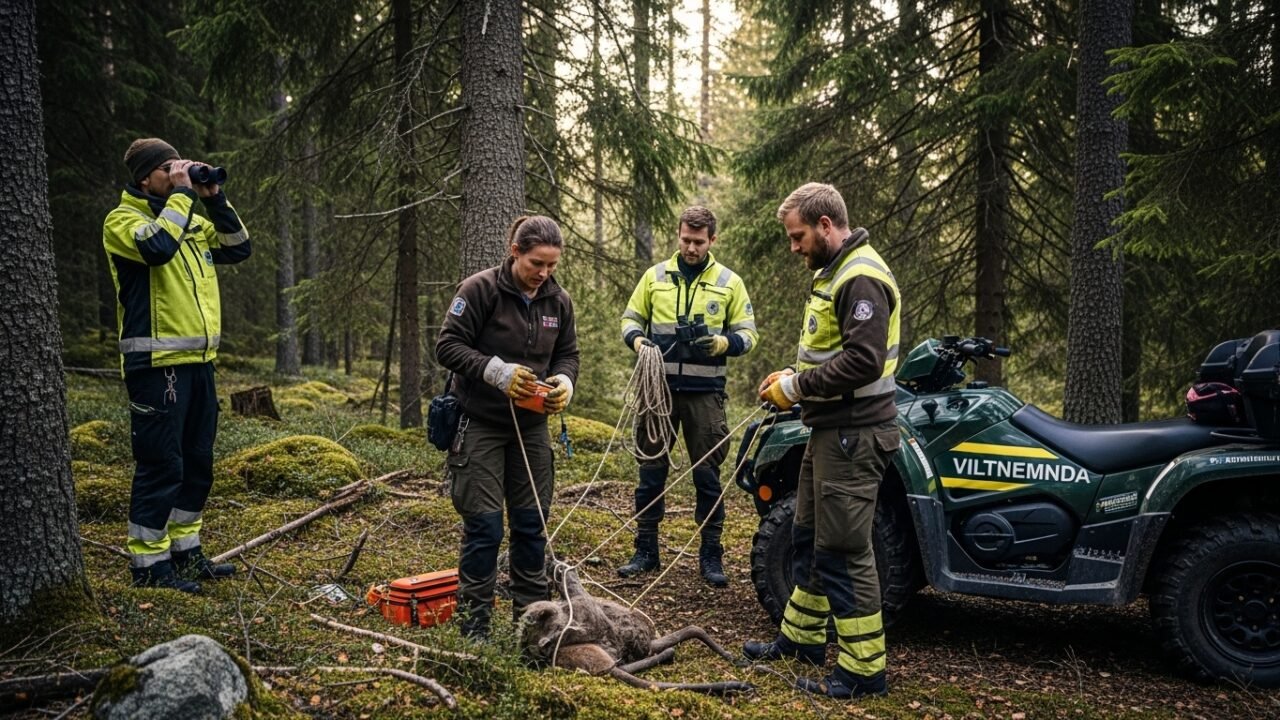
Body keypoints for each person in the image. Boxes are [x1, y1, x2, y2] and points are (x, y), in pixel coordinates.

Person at [743, 183, 902, 698]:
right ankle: (801, 640)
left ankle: (863, 671)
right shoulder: (834, 274)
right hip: (831, 429)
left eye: (798, 236)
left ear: (826, 226)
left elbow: (863, 361)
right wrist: (792, 375)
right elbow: (829, 355)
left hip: (856, 435)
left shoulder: (861, 277)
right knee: (808, 537)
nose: (794, 246)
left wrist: (794, 387)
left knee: (845, 549)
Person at [103, 138, 251, 593]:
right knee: (161, 463)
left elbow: (237, 246)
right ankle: (149, 565)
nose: (179, 173)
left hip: (199, 362)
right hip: (156, 364)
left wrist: (214, 197)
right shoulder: (124, 222)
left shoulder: (187, 219)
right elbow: (156, 249)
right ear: (146, 178)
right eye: (169, 168)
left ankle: (186, 553)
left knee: (196, 463)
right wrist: (186, 197)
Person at [435, 215, 580, 640]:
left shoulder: (558, 301)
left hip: (532, 427)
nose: (544, 273)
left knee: (531, 524)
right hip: (479, 422)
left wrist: (564, 381)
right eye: (537, 263)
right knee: (485, 527)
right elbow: (447, 345)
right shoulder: (479, 289)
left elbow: (568, 354)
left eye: (552, 265)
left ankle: (531, 626)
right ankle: (473, 628)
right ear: (514, 251)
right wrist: (495, 372)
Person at [617, 206, 759, 587]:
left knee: (708, 477)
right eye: (686, 240)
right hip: (656, 392)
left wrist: (721, 343)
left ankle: (711, 556)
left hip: (705, 395)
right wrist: (639, 340)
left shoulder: (730, 282)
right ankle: (645, 549)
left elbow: (749, 335)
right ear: (677, 236)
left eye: (699, 241)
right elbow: (629, 320)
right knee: (650, 473)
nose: (692, 247)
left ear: (712, 240)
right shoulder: (655, 277)